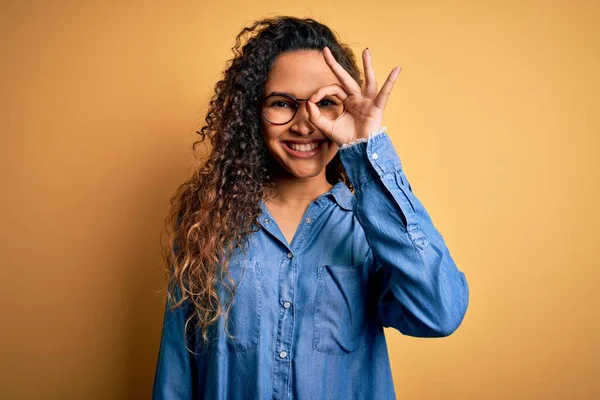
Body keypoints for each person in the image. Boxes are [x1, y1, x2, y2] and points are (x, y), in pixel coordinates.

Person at [153, 15, 469, 400]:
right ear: (254, 113)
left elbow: (440, 312)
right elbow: (176, 375)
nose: (305, 125)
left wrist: (366, 148)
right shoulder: (208, 225)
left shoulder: (371, 226)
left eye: (326, 103)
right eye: (282, 103)